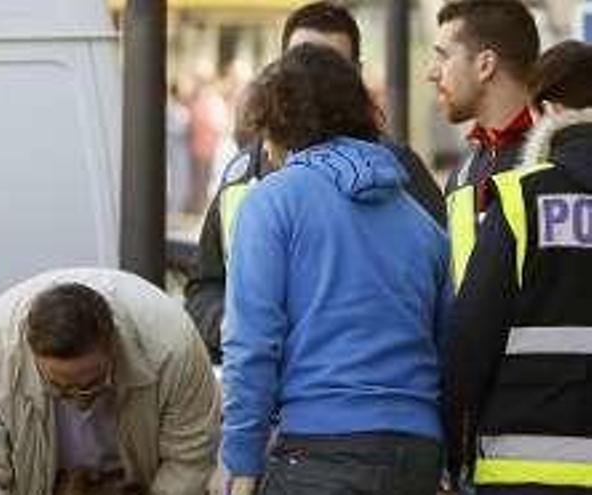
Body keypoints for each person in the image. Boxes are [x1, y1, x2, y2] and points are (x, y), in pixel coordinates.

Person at [221, 44, 451, 495]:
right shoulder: (421, 222)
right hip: (417, 452)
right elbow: (448, 345)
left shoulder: (272, 203)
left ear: (277, 124)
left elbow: (251, 344)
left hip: (318, 450)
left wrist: (241, 462)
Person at [184, 0, 445, 363]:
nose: (312, 83)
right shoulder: (242, 173)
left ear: (355, 75)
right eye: (298, 67)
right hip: (269, 391)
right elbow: (204, 287)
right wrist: (234, 326)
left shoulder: (395, 170)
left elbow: (439, 288)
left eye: (329, 69)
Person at [445, 40, 592, 494]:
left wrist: (455, 452)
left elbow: (472, 337)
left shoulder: (521, 198)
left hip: (523, 467)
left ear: (546, 110)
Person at [0, 268, 219, 495]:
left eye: (92, 384)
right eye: (60, 389)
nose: (79, 401)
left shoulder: (173, 347)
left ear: (113, 346)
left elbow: (190, 459)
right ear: (32, 356)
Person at [427, 0, 539, 291]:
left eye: (443, 57)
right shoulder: (464, 172)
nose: (432, 73)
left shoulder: (558, 161)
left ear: (485, 65)